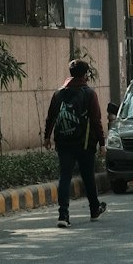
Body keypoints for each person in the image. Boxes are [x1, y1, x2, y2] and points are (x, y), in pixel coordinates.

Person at [44, 60, 107, 227]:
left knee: (65, 177)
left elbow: (51, 117)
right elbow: (96, 121)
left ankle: (63, 215)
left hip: (64, 142)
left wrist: (46, 137)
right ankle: (94, 209)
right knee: (88, 176)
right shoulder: (89, 94)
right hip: (85, 143)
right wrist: (102, 143)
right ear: (85, 74)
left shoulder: (58, 94)